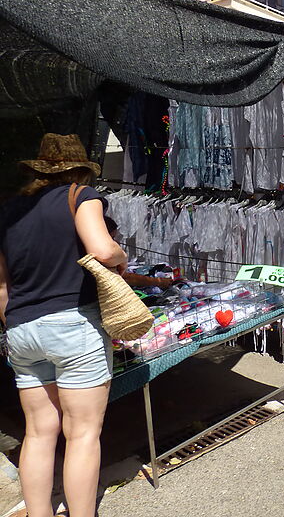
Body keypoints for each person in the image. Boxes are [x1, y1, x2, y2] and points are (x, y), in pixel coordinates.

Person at [0, 134, 128, 517]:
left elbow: (1, 285)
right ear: (79, 171)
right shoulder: (81, 197)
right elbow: (102, 250)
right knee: (83, 434)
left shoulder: (7, 212)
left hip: (21, 328)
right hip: (73, 324)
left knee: (38, 433)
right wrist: (121, 256)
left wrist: (15, 321)